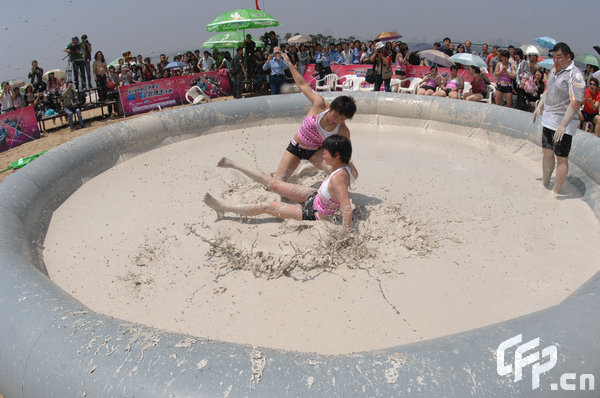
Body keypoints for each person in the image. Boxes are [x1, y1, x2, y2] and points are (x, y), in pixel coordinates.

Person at [204, 134, 355, 233]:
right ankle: (234, 164)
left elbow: (347, 208)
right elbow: (353, 175)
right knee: (273, 184)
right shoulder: (347, 168)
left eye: (326, 152)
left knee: (267, 206)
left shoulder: (338, 178)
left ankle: (222, 207)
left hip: (314, 213)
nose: (323, 153)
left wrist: (344, 236)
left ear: (337, 155)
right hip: (315, 196)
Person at [274, 52, 357, 182]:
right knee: (278, 181)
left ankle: (326, 188)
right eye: (336, 116)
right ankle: (305, 168)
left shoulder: (343, 129)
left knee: (336, 172)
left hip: (316, 152)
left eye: (342, 119)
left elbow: (347, 148)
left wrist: (349, 164)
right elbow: (302, 84)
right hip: (296, 147)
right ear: (332, 108)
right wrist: (289, 64)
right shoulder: (319, 104)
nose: (336, 121)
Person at [532, 42, 585, 195]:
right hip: (549, 119)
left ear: (568, 57)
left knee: (561, 158)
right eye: (554, 57)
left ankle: (556, 191)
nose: (556, 60)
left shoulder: (575, 75)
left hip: (563, 124)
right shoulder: (555, 70)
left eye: (559, 57)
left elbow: (576, 102)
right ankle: (545, 184)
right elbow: (549, 90)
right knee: (547, 153)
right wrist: (539, 107)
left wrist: (563, 125)